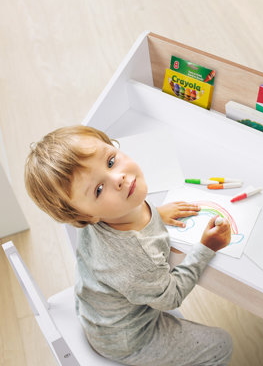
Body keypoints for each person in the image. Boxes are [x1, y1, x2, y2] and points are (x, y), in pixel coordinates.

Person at [24, 125, 233, 366]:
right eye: (99, 189)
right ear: (86, 217)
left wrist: (156, 214)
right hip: (129, 340)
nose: (119, 179)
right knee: (221, 344)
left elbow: (134, 210)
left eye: (111, 161)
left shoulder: (112, 211)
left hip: (99, 311)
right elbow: (171, 298)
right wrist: (206, 247)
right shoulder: (136, 260)